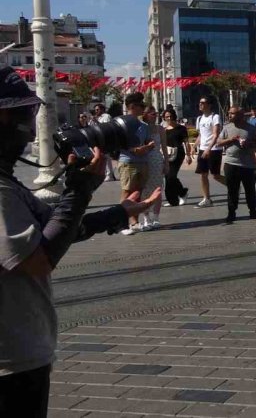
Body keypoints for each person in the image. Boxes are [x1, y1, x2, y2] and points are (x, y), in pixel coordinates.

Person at [0, 67, 157, 418]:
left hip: (20, 353)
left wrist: (116, 212)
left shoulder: (7, 184)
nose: (27, 127)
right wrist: (81, 189)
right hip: (10, 361)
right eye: (19, 115)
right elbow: (39, 258)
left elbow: (56, 226)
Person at [123, 106, 167, 234]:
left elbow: (164, 147)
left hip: (157, 160)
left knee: (158, 188)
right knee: (145, 189)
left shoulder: (160, 129)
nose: (155, 116)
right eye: (152, 114)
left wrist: (166, 163)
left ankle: (156, 217)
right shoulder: (142, 128)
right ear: (146, 114)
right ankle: (146, 218)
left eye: (156, 113)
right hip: (144, 160)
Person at [118, 93, 156, 231]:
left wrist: (148, 146)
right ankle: (121, 223)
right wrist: (136, 149)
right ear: (133, 106)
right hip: (128, 162)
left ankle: (134, 222)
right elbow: (119, 144)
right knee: (127, 192)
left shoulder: (143, 125)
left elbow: (147, 142)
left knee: (137, 193)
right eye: (141, 105)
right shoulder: (121, 123)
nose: (143, 108)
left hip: (143, 162)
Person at [218, 107, 256, 224]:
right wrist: (230, 140)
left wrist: (248, 143)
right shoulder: (227, 127)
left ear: (240, 115)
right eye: (229, 113)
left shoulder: (250, 129)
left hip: (248, 165)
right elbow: (219, 142)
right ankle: (231, 213)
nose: (229, 115)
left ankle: (253, 211)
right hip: (231, 163)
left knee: (250, 189)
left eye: (232, 114)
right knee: (232, 190)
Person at [194, 97, 226, 206]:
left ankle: (233, 185)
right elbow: (200, 134)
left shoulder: (215, 117)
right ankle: (206, 198)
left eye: (203, 102)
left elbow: (215, 134)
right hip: (203, 149)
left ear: (209, 104)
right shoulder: (199, 118)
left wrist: (208, 148)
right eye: (200, 102)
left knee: (215, 175)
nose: (200, 104)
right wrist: (194, 145)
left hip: (214, 149)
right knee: (203, 174)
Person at [162, 109, 190, 206]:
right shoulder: (164, 130)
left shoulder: (181, 128)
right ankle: (172, 200)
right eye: (166, 117)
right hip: (167, 154)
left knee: (171, 176)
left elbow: (186, 142)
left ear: (174, 116)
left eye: (170, 116)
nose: (169, 118)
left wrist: (188, 155)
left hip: (178, 154)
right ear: (164, 118)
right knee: (167, 177)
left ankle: (183, 192)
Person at [91, 103, 116, 182]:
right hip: (98, 139)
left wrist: (97, 121)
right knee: (101, 156)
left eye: (98, 110)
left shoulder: (106, 116)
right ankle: (106, 174)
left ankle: (109, 175)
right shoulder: (96, 118)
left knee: (106, 156)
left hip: (105, 138)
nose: (96, 111)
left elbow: (106, 127)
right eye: (95, 110)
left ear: (102, 109)